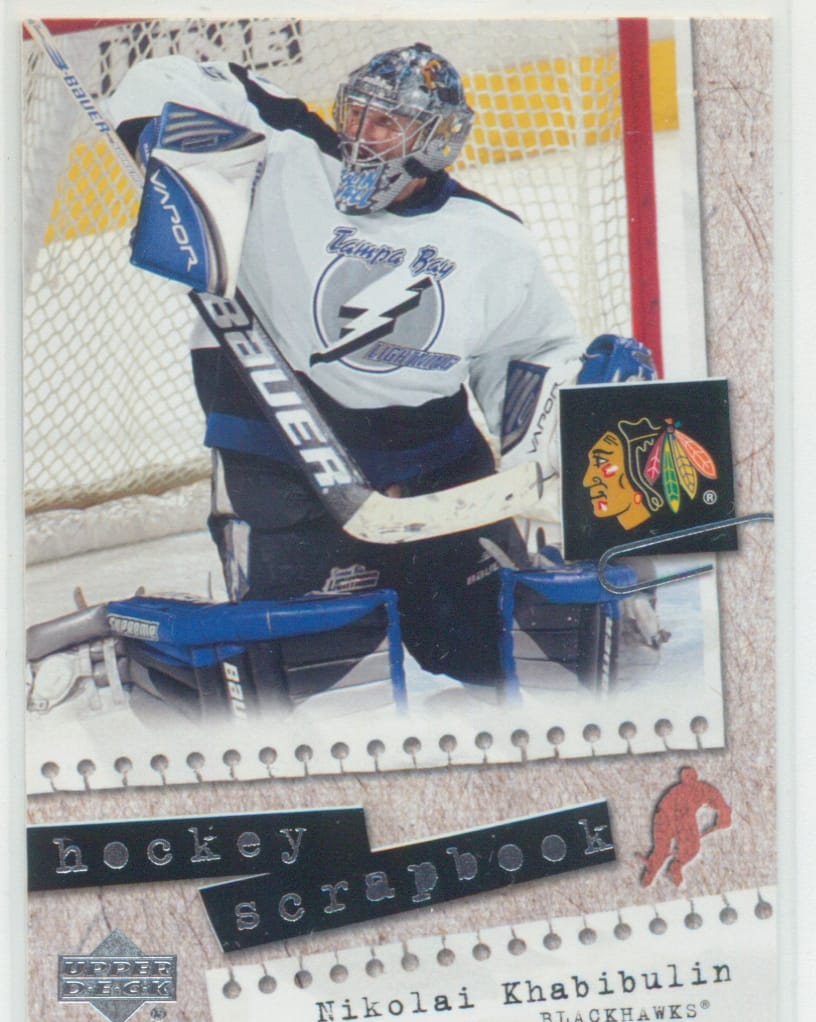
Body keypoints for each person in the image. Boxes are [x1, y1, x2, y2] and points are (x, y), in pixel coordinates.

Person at [107, 42, 651, 687]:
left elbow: (529, 356)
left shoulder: (491, 239)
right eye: (357, 114)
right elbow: (161, 77)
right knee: (308, 681)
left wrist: (581, 415)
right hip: (286, 462)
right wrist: (177, 153)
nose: (362, 135)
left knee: (512, 654)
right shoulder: (287, 159)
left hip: (433, 469)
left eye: (387, 123)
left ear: (438, 140)